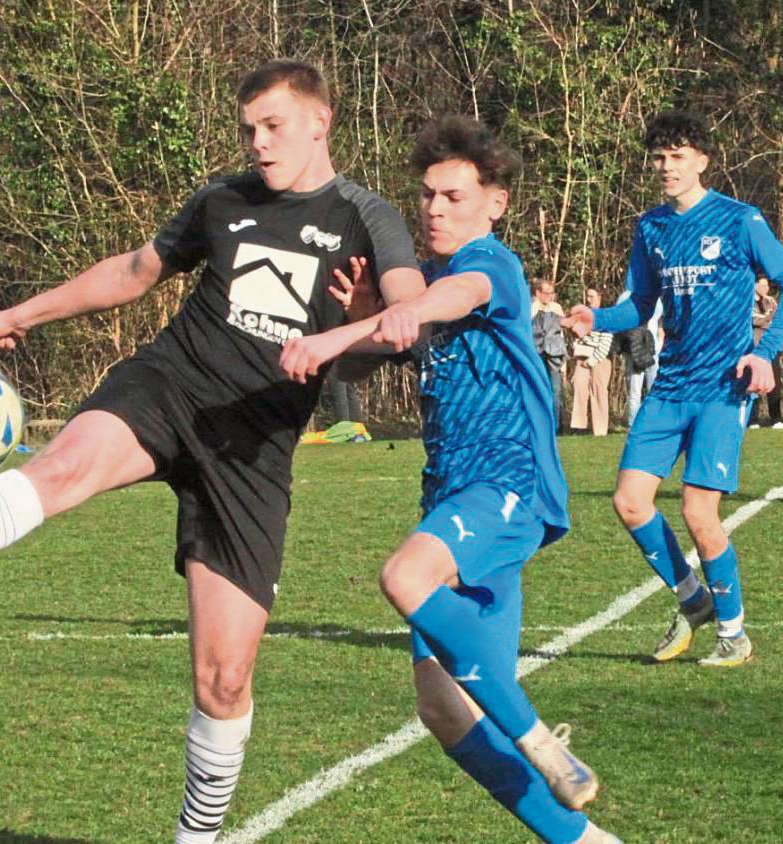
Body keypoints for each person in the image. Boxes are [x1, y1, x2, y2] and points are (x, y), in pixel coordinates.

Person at [0, 59, 424, 843]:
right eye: (248, 129)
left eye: (273, 126)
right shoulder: (221, 201)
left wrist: (367, 322)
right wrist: (25, 311)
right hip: (168, 386)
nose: (258, 143)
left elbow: (402, 318)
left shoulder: (367, 217)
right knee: (61, 466)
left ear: (319, 123)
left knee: (224, 680)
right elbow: (133, 271)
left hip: (251, 447)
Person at [281, 115, 618, 844]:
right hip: (451, 495)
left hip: (505, 483)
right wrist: (367, 325)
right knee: (442, 708)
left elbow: (448, 301)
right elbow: (364, 365)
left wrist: (342, 331)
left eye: (453, 196)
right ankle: (585, 842)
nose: (435, 209)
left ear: (493, 202)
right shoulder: (419, 281)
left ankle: (540, 739)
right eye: (428, 196)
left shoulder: (490, 264)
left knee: (404, 577)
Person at [564, 110, 783, 667]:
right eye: (659, 158)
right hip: (670, 386)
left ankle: (734, 634)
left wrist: (765, 353)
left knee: (700, 514)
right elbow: (639, 306)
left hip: (724, 388)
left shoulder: (740, 220)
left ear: (701, 160)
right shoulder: (650, 227)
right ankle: (691, 598)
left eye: (677, 157)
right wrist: (596, 318)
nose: (667, 167)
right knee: (629, 502)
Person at [569, 288, 612, 436]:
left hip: (599, 359)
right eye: (587, 296)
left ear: (599, 297)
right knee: (579, 390)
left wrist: (592, 361)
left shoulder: (606, 317)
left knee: (599, 392)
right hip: (581, 357)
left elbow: (605, 343)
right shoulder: (582, 315)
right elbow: (576, 337)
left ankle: (600, 430)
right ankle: (578, 427)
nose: (588, 299)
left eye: (591, 296)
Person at [615, 293, 662, 427]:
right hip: (634, 349)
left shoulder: (657, 297)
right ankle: (633, 423)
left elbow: (660, 323)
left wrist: (659, 344)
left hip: (653, 349)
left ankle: (653, 422)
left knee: (653, 388)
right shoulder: (625, 298)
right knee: (635, 390)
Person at [748, 277, 783, 429]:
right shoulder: (746, 300)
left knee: (775, 382)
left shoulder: (771, 302)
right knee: (753, 381)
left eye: (768, 285)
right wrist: (767, 319)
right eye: (763, 284)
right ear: (755, 284)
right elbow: (754, 320)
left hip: (770, 347)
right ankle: (753, 419)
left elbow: (778, 320)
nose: (766, 288)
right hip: (753, 347)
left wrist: (767, 320)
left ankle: (776, 418)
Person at [531, 279, 567, 432]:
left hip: (554, 355)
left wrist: (563, 360)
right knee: (539, 389)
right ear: (538, 293)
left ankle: (555, 426)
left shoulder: (556, 309)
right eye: (546, 293)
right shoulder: (531, 308)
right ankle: (539, 424)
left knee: (555, 390)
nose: (549, 297)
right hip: (537, 355)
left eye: (551, 293)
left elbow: (561, 335)